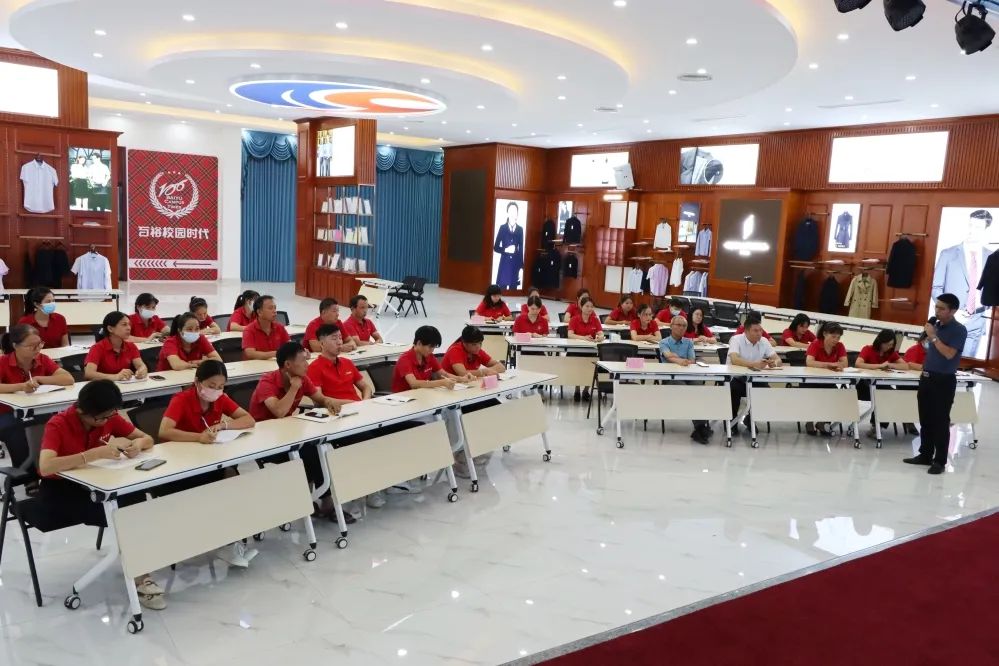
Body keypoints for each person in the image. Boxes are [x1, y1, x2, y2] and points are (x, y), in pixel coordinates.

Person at [37, 380, 165, 610]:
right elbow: (46, 466)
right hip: (61, 492)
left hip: (96, 484)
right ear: (82, 411)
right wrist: (92, 455)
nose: (106, 422)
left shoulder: (109, 416)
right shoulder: (58, 424)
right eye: (101, 418)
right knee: (124, 514)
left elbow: (147, 438)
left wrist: (137, 444)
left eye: (110, 416)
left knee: (134, 499)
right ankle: (141, 577)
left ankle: (140, 569)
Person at [158, 361, 257, 567]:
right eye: (211, 386)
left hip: (209, 460)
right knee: (219, 489)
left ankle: (231, 540)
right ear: (197, 382)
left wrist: (223, 425)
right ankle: (224, 541)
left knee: (233, 478)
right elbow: (164, 431)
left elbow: (248, 420)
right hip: (182, 466)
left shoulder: (220, 399)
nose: (216, 391)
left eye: (221, 387)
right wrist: (198, 437)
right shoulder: (182, 399)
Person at [905, 294, 968, 475]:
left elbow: (949, 354)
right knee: (925, 419)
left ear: (953, 311)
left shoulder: (959, 330)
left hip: (943, 380)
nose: (937, 311)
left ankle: (939, 460)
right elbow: (930, 349)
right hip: (926, 377)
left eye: (942, 308)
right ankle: (925, 454)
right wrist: (929, 337)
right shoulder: (936, 326)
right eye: (936, 307)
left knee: (940, 421)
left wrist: (933, 337)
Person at [0, 324, 74, 467]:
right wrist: (21, 386)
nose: (37, 349)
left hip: (37, 410)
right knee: (16, 431)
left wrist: (40, 379)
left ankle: (50, 467)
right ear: (15, 346)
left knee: (56, 425)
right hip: (6, 413)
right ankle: (26, 474)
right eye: (31, 346)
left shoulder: (43, 359)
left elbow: (68, 379)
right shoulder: (3, 362)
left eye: (39, 344)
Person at [931, 210, 992, 358]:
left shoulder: (991, 257)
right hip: (950, 318)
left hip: (977, 320)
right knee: (944, 360)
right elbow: (936, 287)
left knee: (966, 364)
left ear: (985, 229)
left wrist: (985, 307)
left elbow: (993, 290)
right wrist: (951, 310)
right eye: (970, 225)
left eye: (977, 227)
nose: (972, 230)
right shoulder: (948, 254)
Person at [659, 316, 712, 444]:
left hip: (689, 375)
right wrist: (680, 360)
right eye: (678, 325)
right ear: (671, 326)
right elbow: (668, 356)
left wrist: (676, 358)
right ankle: (700, 427)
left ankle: (700, 427)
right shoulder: (664, 342)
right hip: (671, 377)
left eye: (684, 326)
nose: (681, 328)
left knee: (698, 388)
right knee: (688, 391)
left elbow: (692, 360)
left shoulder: (689, 342)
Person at [727, 314, 782, 435]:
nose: (759, 333)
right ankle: (731, 421)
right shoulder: (736, 339)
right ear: (746, 331)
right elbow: (735, 359)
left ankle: (750, 418)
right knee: (733, 390)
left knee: (766, 391)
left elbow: (778, 359)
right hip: (737, 378)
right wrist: (754, 364)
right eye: (755, 331)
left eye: (760, 330)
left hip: (755, 379)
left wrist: (774, 363)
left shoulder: (764, 341)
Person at [306, 324, 374, 407]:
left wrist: (365, 401)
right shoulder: (314, 368)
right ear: (322, 343)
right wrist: (350, 403)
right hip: (336, 410)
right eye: (334, 339)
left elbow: (365, 387)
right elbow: (319, 399)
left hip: (358, 407)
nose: (339, 342)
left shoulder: (347, 362)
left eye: (340, 338)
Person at [391, 326, 472, 392]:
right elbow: (414, 384)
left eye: (434, 347)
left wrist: (462, 379)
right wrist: (442, 382)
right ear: (419, 343)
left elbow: (444, 374)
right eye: (430, 347)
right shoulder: (404, 359)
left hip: (423, 394)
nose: (432, 350)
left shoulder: (429, 356)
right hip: (405, 398)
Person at [804, 323, 848, 436]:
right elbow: (809, 362)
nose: (836, 340)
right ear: (824, 334)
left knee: (836, 395)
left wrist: (836, 365)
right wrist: (829, 364)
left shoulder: (840, 346)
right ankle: (809, 420)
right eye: (833, 336)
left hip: (829, 380)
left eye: (838, 337)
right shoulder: (815, 344)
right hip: (812, 380)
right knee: (813, 395)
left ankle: (823, 422)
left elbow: (845, 363)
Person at [84, 311, 148, 381]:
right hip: (103, 385)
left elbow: (140, 365)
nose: (129, 328)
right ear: (110, 329)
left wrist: (142, 370)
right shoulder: (97, 348)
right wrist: (115, 377)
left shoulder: (131, 346)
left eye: (129, 324)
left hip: (125, 385)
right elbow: (89, 374)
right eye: (124, 324)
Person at [157, 312, 223, 371]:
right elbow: (177, 365)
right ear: (180, 331)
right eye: (189, 329)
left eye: (197, 328)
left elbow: (218, 359)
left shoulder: (200, 338)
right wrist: (194, 364)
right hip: (169, 378)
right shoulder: (170, 342)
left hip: (190, 375)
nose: (194, 332)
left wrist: (198, 362)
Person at [568, 297, 603, 402]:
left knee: (592, 365)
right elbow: (570, 335)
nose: (589, 309)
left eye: (591, 306)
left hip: (590, 350)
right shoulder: (574, 319)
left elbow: (601, 333)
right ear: (581, 307)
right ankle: (577, 389)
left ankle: (586, 390)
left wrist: (600, 337)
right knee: (576, 367)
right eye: (587, 306)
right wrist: (583, 338)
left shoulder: (595, 320)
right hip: (576, 350)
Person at [242, 295, 290, 360]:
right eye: (270, 308)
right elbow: (250, 354)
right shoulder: (249, 330)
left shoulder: (280, 327)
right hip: (256, 365)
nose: (274, 311)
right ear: (259, 312)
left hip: (274, 364)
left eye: (275, 308)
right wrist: (276, 353)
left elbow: (290, 347)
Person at [493, 200, 524, 290]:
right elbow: (495, 247)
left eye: (515, 211)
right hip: (504, 264)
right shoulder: (502, 228)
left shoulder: (520, 229)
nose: (513, 213)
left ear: (517, 214)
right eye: (511, 211)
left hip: (515, 265)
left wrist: (521, 268)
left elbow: (521, 249)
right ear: (507, 213)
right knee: (501, 291)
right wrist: (505, 250)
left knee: (513, 290)